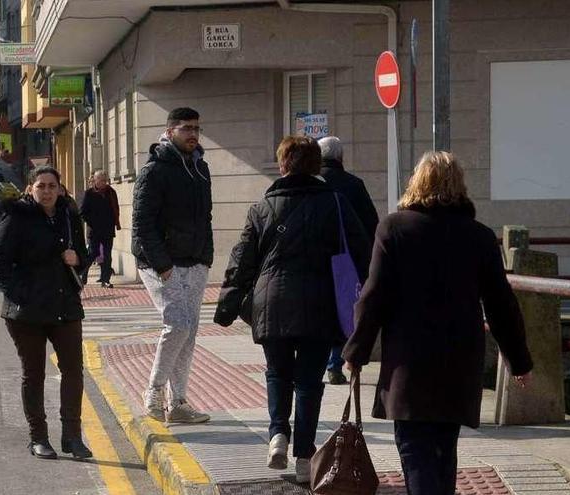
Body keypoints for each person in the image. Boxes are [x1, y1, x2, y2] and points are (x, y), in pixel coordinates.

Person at [343, 151, 533, 494]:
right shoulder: (479, 237)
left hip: (409, 362)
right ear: (459, 186)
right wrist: (519, 360)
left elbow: (374, 298)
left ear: (417, 183)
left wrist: (356, 352)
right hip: (458, 362)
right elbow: (502, 304)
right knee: (445, 451)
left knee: (415, 452)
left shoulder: (394, 229)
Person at [213, 135, 370, 481]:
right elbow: (362, 252)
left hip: (272, 304)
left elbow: (241, 263)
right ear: (316, 166)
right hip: (319, 306)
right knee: (310, 382)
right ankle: (303, 458)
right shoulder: (337, 204)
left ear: (282, 164)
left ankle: (277, 436)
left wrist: (226, 306)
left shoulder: (262, 208)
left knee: (277, 372)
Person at [0, 166, 93, 460]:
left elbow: (82, 256)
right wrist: (22, 297)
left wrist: (79, 260)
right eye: (41, 186)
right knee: (33, 375)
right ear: (30, 189)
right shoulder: (18, 216)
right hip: (27, 314)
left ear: (60, 189)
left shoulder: (70, 216)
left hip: (65, 306)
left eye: (52, 186)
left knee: (73, 371)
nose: (47, 191)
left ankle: (72, 437)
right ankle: (38, 438)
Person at [132, 107, 214, 424]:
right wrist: (162, 263)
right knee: (177, 325)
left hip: (194, 262)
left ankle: (177, 402)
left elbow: (205, 218)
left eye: (196, 128)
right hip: (160, 263)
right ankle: (153, 390)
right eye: (186, 128)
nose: (193, 134)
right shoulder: (154, 170)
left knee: (189, 331)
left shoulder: (201, 169)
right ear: (170, 132)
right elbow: (141, 224)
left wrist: (206, 257)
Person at [317, 136, 379, 386]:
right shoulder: (354, 185)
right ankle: (335, 364)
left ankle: (318, 361)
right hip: (349, 262)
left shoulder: (314, 183)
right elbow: (371, 223)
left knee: (320, 311)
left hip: (317, 261)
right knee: (345, 311)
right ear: (341, 158)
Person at [79, 170, 121, 287]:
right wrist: (92, 223)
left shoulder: (111, 192)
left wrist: (114, 222)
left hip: (108, 229)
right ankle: (83, 273)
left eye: (105, 180)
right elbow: (82, 212)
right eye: (101, 180)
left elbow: (116, 208)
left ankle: (105, 279)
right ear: (95, 180)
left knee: (107, 255)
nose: (104, 182)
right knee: (93, 253)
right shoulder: (89, 193)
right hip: (94, 230)